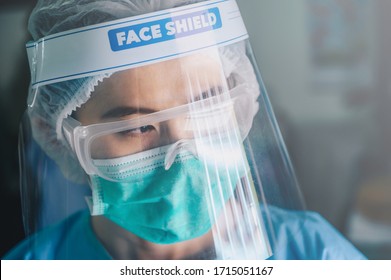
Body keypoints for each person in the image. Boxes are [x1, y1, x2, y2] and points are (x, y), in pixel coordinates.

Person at [3, 0, 366, 260]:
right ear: (58, 137)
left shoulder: (315, 254)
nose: (185, 153)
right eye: (138, 127)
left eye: (207, 108)